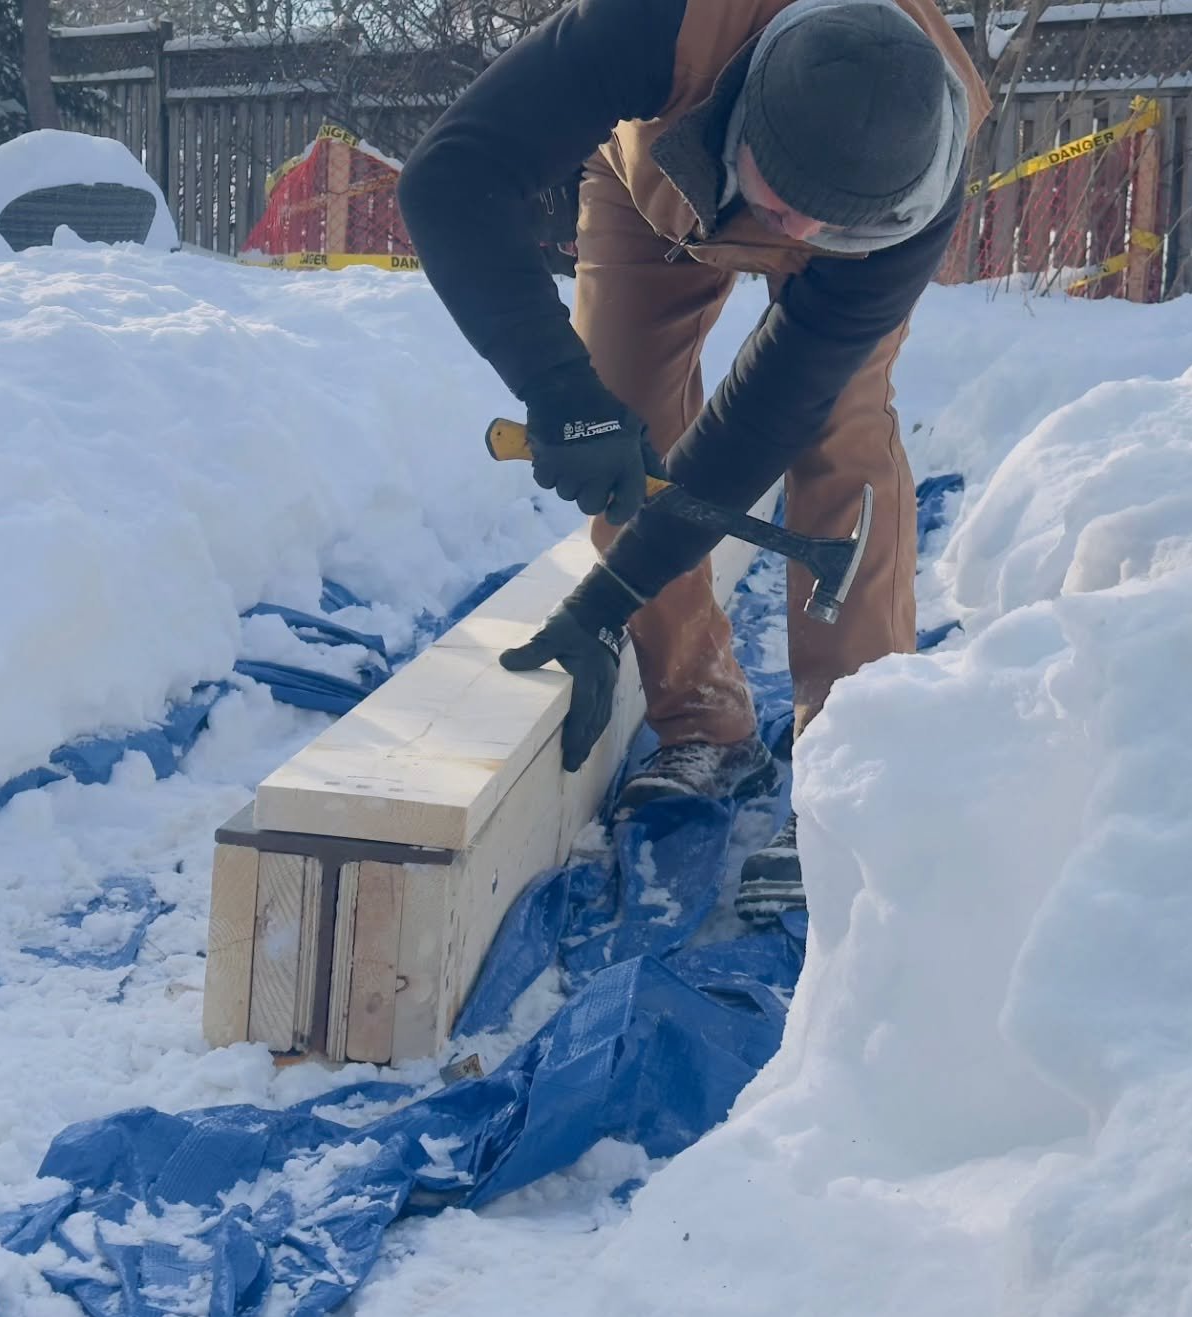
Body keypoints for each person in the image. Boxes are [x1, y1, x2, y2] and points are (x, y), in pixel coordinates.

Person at [398, 0, 989, 920]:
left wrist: (604, 595)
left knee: (841, 434)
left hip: (835, 218)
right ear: (741, 111)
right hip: (655, 183)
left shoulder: (917, 172)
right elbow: (451, 177)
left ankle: (853, 773)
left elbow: (769, 412)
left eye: (826, 230)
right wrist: (563, 394)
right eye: (786, 204)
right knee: (621, 406)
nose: (792, 239)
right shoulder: (652, 25)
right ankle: (704, 719)